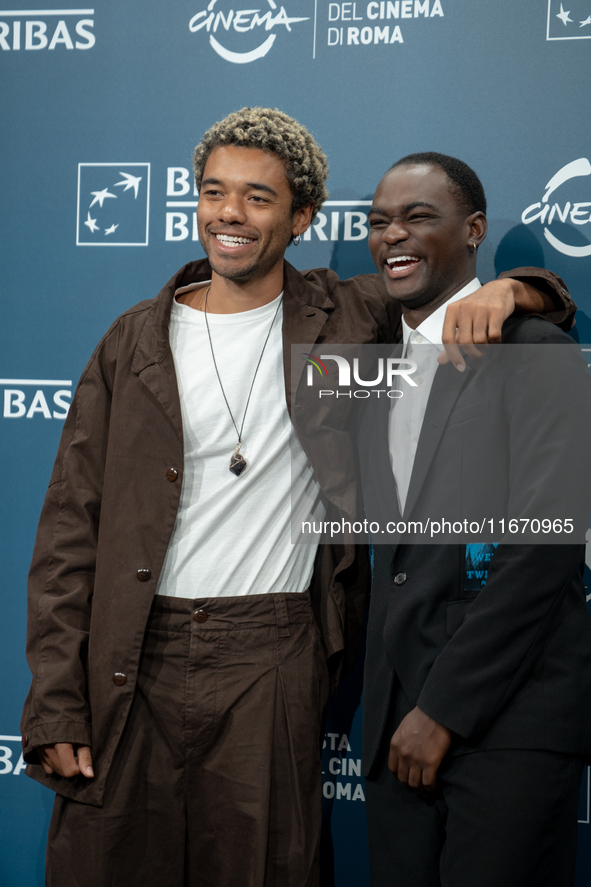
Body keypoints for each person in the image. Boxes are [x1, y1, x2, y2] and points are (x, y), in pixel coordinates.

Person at [20, 110, 575, 887]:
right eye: (213, 192)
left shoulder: (347, 317)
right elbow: (68, 532)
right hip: (131, 653)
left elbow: (448, 293)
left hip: (271, 651)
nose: (229, 214)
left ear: (301, 217)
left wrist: (524, 288)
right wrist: (53, 700)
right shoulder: (132, 340)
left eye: (256, 197)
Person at [359, 152, 591, 887]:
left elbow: (542, 555)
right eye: (378, 221)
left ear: (474, 230)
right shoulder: (364, 361)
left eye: (419, 216)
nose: (392, 234)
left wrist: (445, 709)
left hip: (505, 721)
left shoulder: (536, 349)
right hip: (393, 724)